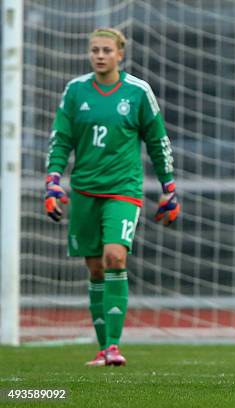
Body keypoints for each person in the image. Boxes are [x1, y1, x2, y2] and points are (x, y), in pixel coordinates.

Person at [45, 28, 180, 366]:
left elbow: (157, 141)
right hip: (84, 190)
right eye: (94, 50)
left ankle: (115, 347)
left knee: (115, 258)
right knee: (94, 268)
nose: (100, 55)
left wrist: (169, 189)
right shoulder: (76, 91)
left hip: (123, 189)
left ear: (121, 54)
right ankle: (104, 349)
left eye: (106, 50)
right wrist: (52, 182)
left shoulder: (137, 92)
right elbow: (61, 138)